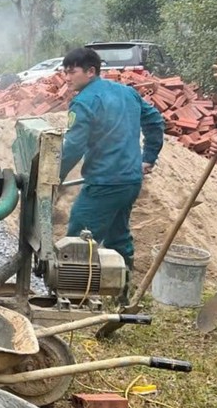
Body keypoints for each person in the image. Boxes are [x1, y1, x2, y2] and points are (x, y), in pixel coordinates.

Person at [59, 46, 165, 275]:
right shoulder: (126, 92)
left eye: (71, 72)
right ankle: (122, 290)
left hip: (104, 183)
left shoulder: (84, 102)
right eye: (64, 72)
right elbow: (155, 121)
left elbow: (74, 147)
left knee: (77, 241)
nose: (66, 78)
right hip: (131, 181)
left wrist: (52, 178)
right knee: (118, 236)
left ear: (91, 72)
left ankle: (71, 297)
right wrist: (149, 158)